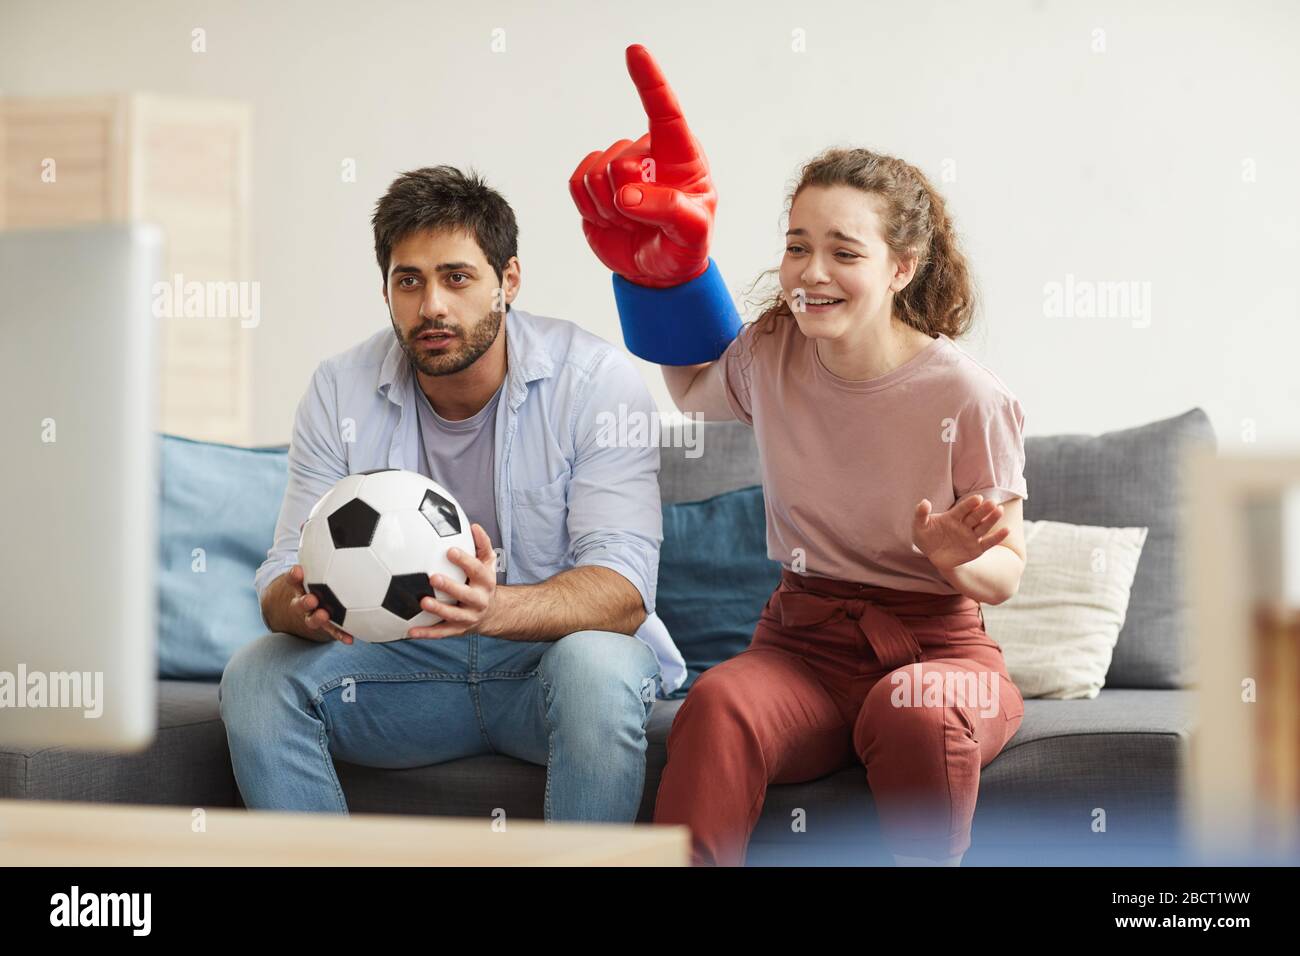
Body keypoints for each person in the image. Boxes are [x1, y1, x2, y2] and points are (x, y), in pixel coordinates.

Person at [570, 44, 1028, 866]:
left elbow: (1007, 574)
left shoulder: (968, 396)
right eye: (796, 246)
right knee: (716, 706)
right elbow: (695, 387)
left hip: (941, 648)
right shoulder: (776, 349)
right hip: (803, 644)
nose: (811, 274)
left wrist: (955, 561)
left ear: (902, 268)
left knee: (914, 707)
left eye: (845, 253)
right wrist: (662, 279)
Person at [219, 165, 689, 822]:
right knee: (256, 676)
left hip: (546, 674)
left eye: (457, 277)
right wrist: (301, 606)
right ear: (386, 291)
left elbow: (624, 589)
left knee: (595, 667)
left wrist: (490, 608)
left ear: (509, 282)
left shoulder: (595, 381)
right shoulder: (338, 388)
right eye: (408, 281)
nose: (432, 305)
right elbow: (278, 575)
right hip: (402, 675)